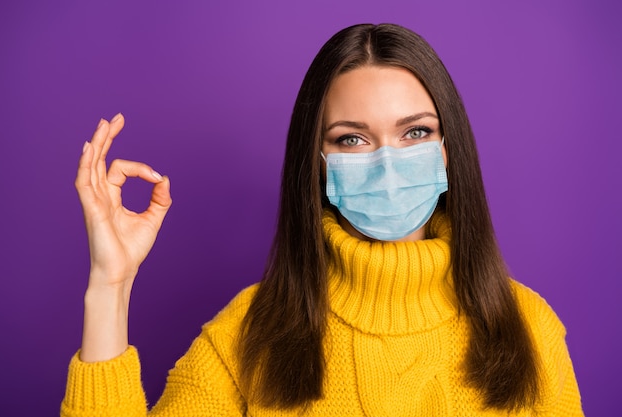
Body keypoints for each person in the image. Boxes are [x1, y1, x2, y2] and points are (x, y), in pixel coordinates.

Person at [61, 23, 583, 416]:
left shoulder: (530, 329)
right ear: (318, 161)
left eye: (416, 133)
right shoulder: (247, 335)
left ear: (449, 151)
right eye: (351, 138)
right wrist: (111, 285)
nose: (386, 160)